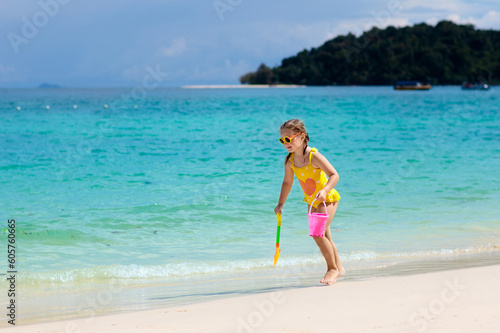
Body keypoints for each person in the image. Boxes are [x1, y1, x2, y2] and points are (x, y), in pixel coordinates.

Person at [274, 119, 344, 284]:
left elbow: (334, 175)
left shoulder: (314, 156)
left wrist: (325, 190)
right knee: (325, 235)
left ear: (302, 136)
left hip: (327, 199)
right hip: (311, 202)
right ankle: (339, 268)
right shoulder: (290, 161)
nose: (285, 143)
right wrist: (281, 204)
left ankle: (331, 269)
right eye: (282, 140)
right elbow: (287, 183)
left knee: (317, 233)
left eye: (289, 139)